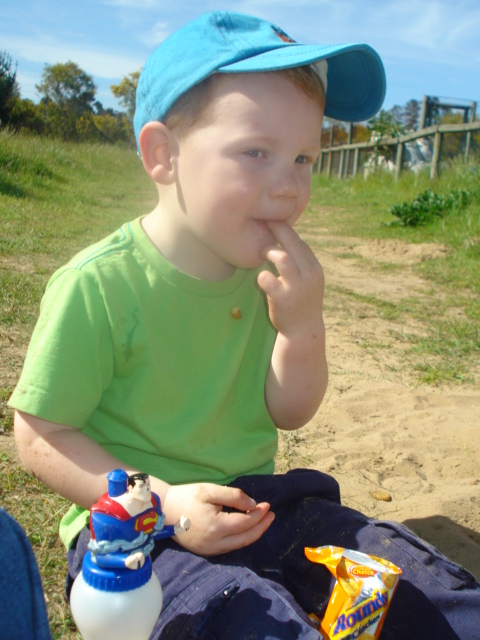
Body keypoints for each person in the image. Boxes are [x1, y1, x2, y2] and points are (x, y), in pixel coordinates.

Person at [9, 10, 479, 639]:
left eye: (304, 157)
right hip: (139, 534)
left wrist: (301, 328)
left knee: (414, 588)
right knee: (240, 617)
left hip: (258, 504)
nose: (288, 187)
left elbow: (289, 410)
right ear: (163, 155)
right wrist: (166, 503)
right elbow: (40, 436)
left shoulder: (267, 276)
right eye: (256, 152)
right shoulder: (99, 285)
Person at [88, 469, 191, 570]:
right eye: (141, 486)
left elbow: (152, 534)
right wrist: (126, 561)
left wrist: (175, 528)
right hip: (116, 569)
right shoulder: (107, 517)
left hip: (145, 554)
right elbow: (101, 555)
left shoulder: (153, 503)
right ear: (130, 488)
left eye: (148, 484)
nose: (147, 489)